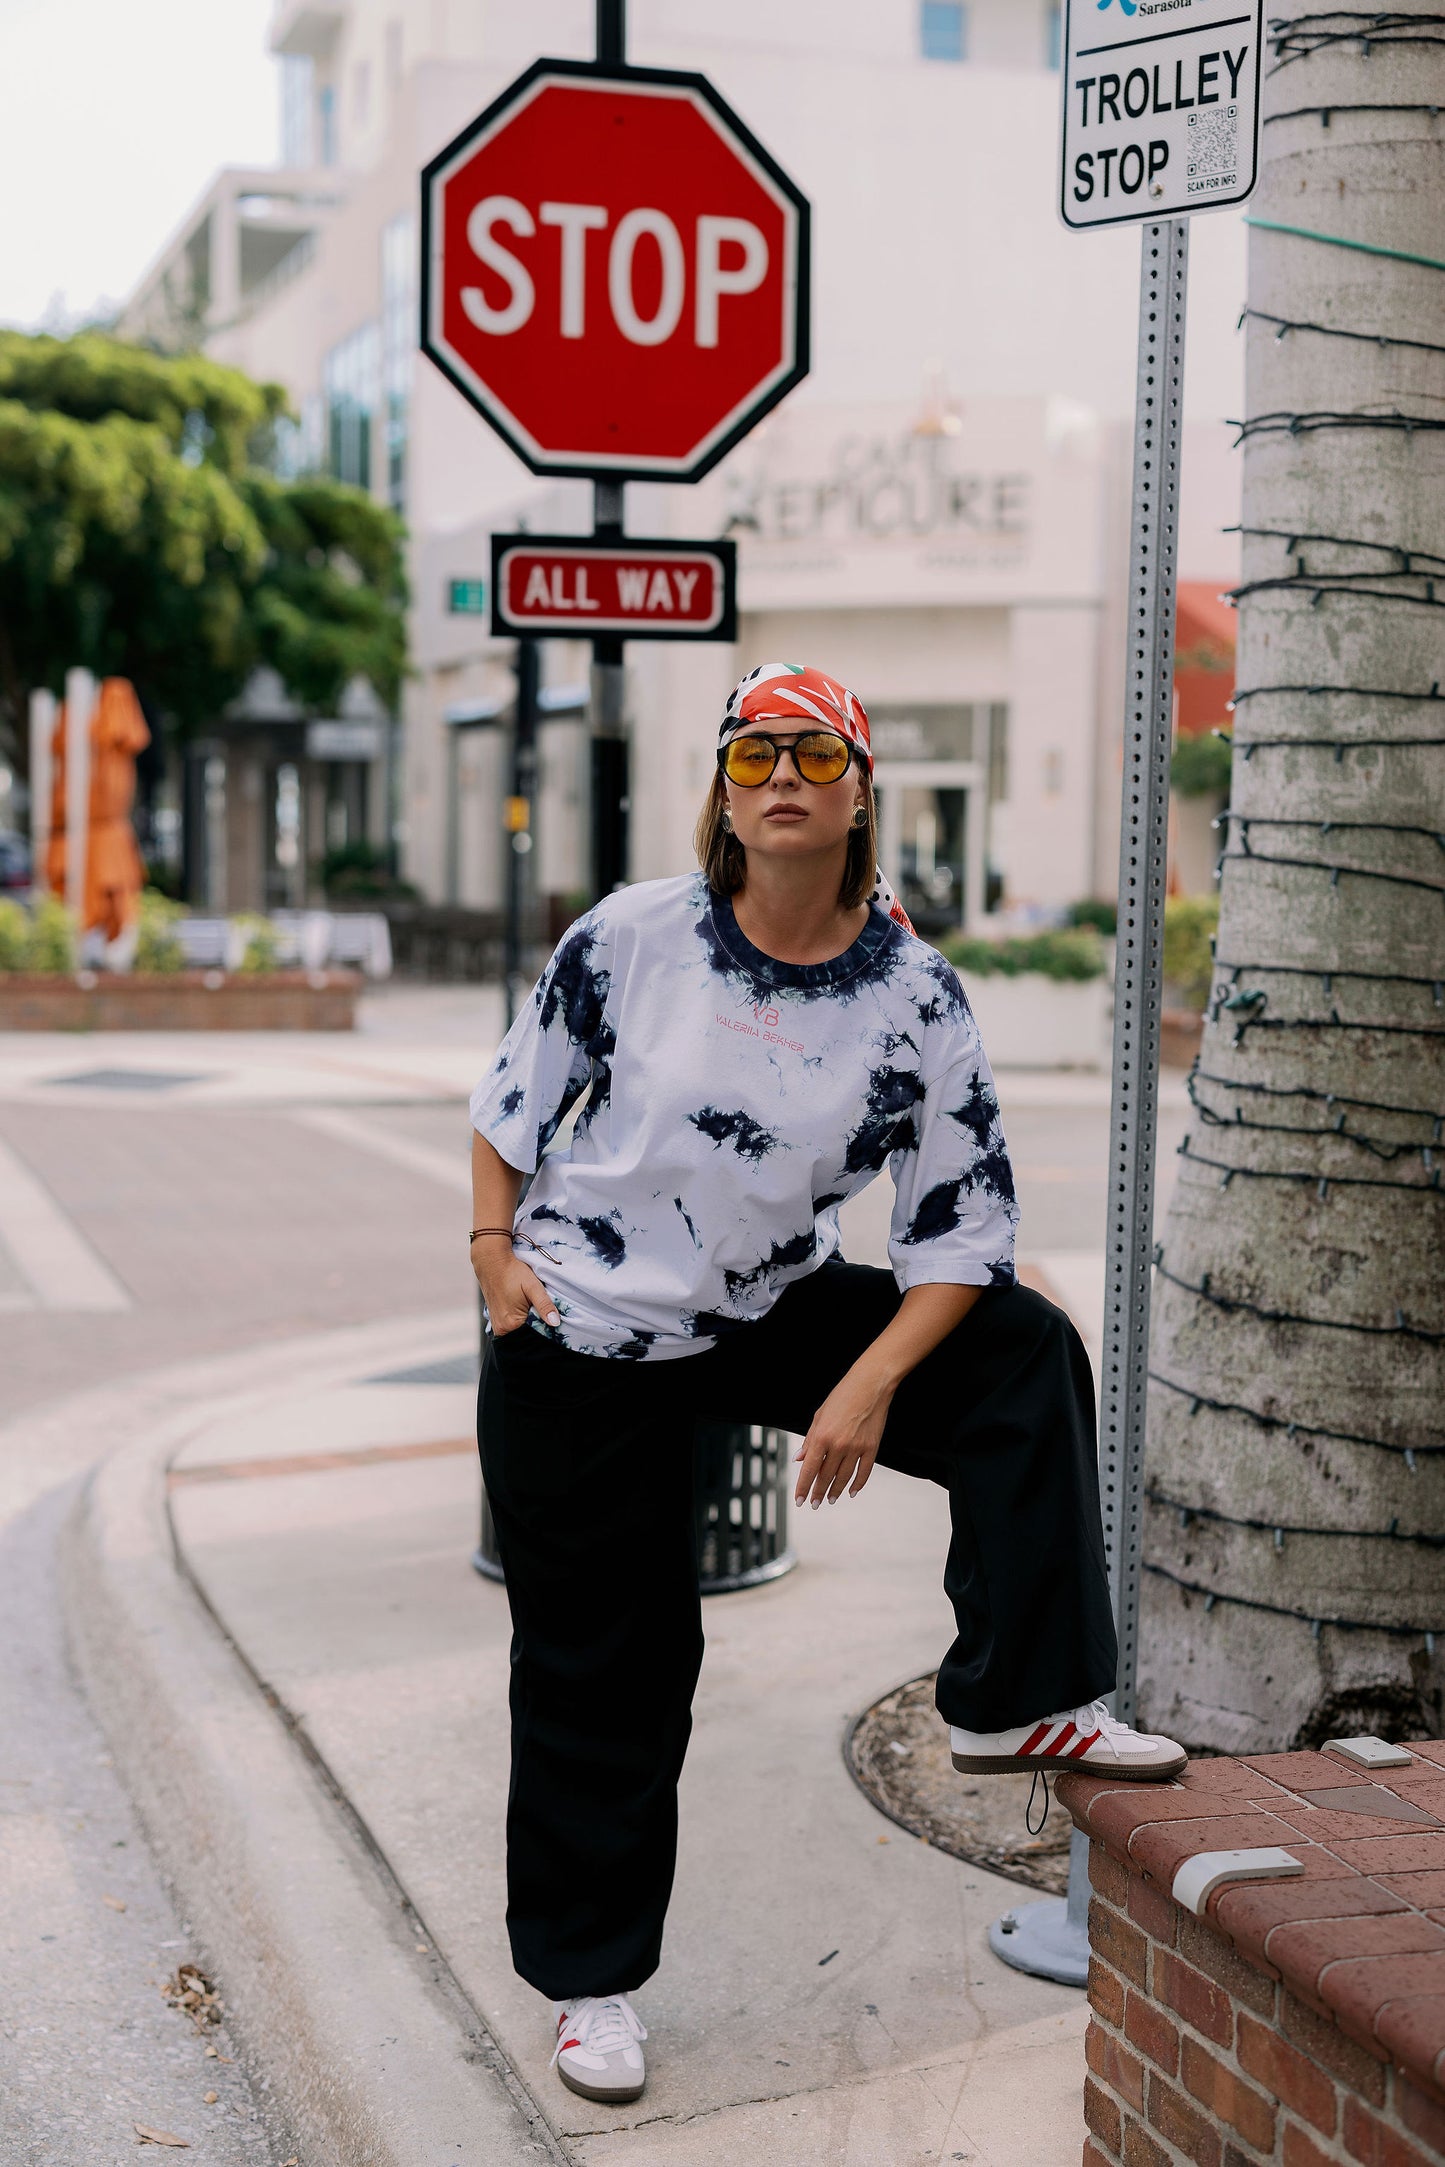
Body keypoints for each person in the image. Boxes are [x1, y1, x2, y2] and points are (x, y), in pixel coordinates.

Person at [469, 662, 1186, 2107]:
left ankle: (1016, 1696)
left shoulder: (911, 993)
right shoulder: (635, 937)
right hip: (586, 1326)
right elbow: (510, 1107)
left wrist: (862, 1384)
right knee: (611, 1671)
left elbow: (962, 1229)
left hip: (764, 1304)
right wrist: (492, 1253)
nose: (779, 778)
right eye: (750, 758)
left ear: (860, 792)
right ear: (721, 797)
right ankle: (590, 1983)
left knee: (1017, 1349)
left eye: (810, 755)